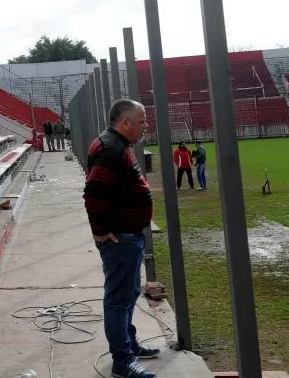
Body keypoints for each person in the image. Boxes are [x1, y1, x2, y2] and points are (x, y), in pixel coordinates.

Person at [84, 98, 159, 378]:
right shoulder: (111, 149)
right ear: (125, 122)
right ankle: (123, 362)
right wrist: (101, 231)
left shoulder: (117, 144)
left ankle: (129, 345)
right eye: (141, 121)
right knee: (118, 299)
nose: (145, 126)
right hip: (120, 239)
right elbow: (93, 194)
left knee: (128, 295)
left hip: (128, 236)